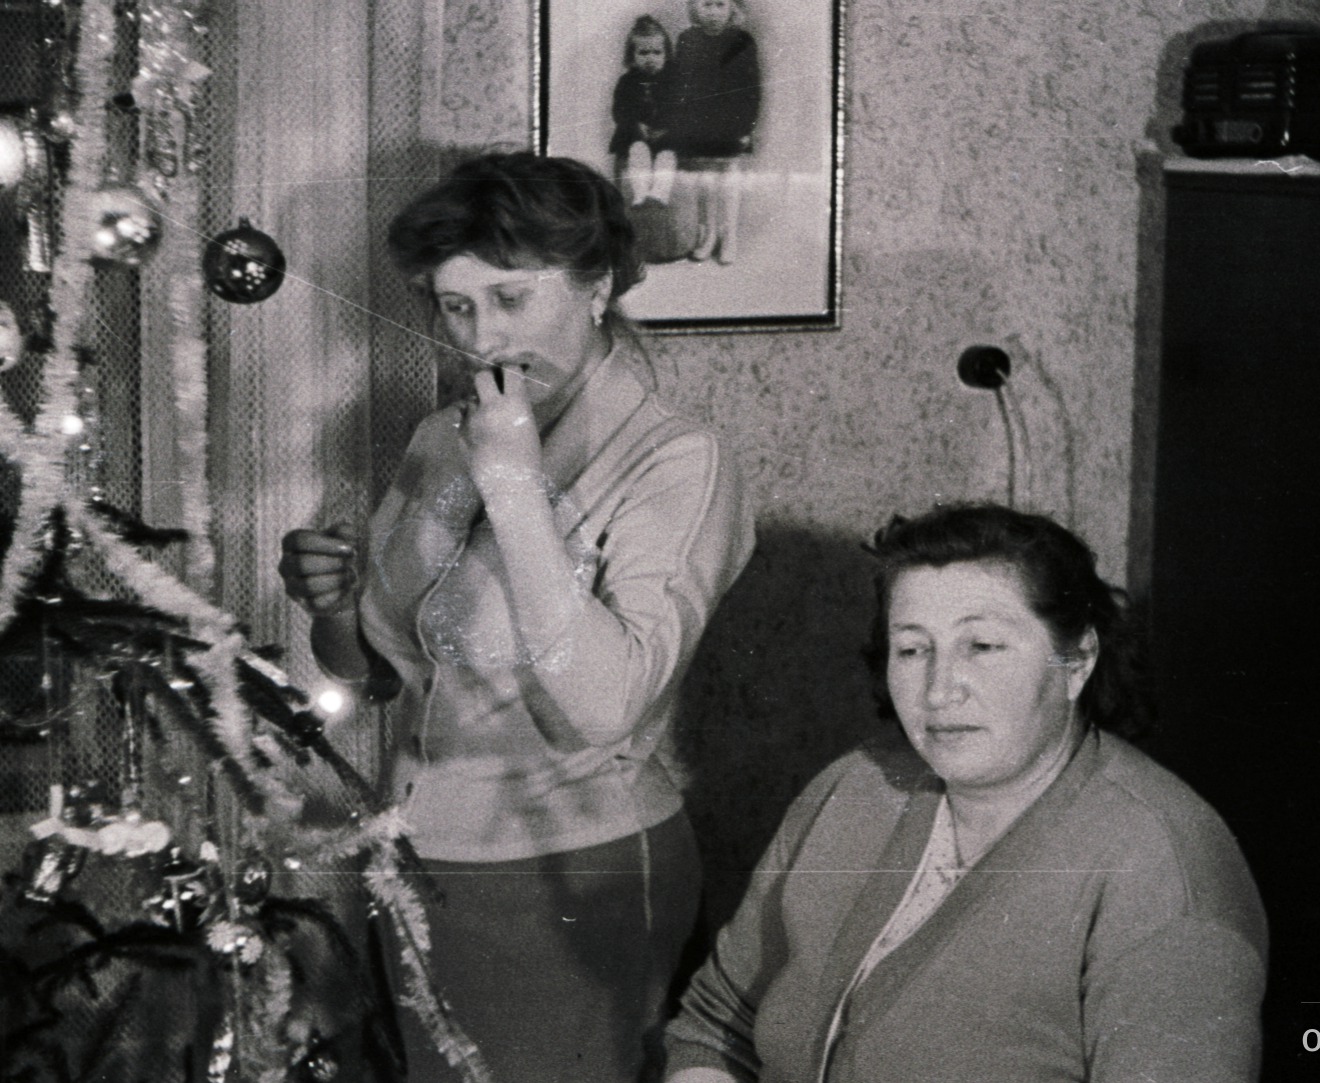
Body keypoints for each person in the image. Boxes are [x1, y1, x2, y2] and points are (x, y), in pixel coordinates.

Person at [278, 152, 755, 1083]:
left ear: (597, 285)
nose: (481, 337)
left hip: (573, 875)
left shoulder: (677, 460)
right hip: (417, 866)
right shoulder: (438, 436)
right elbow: (374, 672)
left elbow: (607, 704)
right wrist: (329, 604)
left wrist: (513, 482)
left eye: (510, 298)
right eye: (455, 306)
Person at [663, 504, 1267, 1082]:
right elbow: (719, 1024)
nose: (939, 690)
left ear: (1077, 662)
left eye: (982, 646)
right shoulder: (854, 788)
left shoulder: (1162, 871)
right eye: (913, 649)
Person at [669, 0, 760, 265]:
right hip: (699, 122)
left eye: (720, 4)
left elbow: (751, 89)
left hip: (732, 121)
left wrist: (746, 127)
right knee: (705, 179)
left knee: (729, 176)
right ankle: (708, 235)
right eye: (706, 4)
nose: (712, 12)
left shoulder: (742, 41)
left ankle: (729, 236)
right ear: (694, 7)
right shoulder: (687, 39)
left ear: (733, 7)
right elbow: (680, 86)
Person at [611, 15, 679, 210]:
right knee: (637, 151)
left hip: (666, 136)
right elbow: (619, 111)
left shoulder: (673, 80)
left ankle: (659, 195)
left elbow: (681, 108)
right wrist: (635, 125)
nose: (650, 58)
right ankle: (640, 195)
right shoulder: (627, 81)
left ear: (666, 54)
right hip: (635, 136)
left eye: (657, 52)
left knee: (667, 156)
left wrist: (666, 128)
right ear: (632, 56)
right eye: (643, 52)